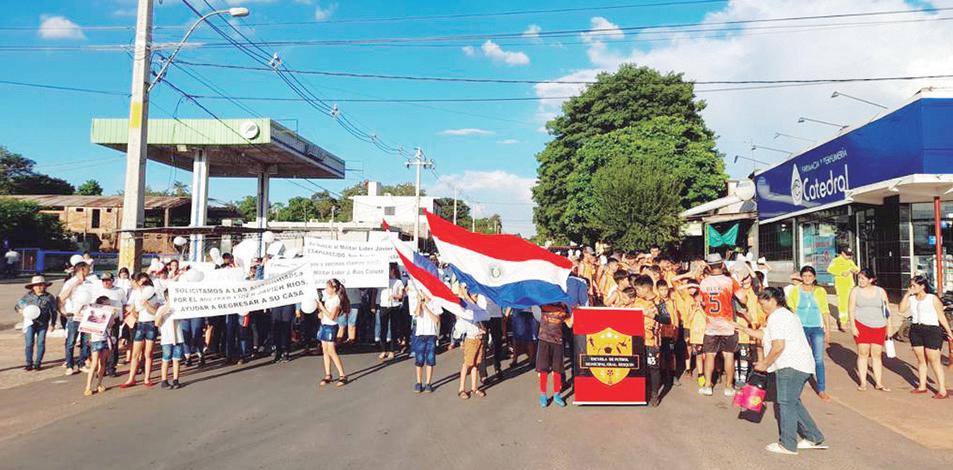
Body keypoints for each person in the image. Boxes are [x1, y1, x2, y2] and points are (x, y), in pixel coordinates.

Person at [736, 287, 827, 455]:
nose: (762, 307)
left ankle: (788, 444)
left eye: (763, 303)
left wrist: (764, 363)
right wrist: (743, 329)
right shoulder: (785, 315)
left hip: (790, 365)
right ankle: (813, 436)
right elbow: (765, 335)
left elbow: (778, 346)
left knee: (786, 403)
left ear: (773, 301)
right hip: (800, 365)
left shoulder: (777, 317)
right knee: (792, 402)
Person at [698, 253, 747, 397]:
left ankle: (708, 386)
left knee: (710, 355)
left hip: (711, 325)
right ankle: (729, 387)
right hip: (728, 325)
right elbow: (743, 299)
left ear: (709, 266)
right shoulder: (729, 281)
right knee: (729, 355)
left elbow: (701, 301)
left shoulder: (704, 283)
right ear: (722, 264)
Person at [899, 275, 953, 399]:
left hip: (932, 330)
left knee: (934, 360)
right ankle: (922, 386)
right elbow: (901, 310)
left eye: (914, 286)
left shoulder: (932, 298)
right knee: (921, 360)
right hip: (916, 329)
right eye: (910, 285)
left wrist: (948, 331)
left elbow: (940, 315)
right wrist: (907, 295)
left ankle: (942, 390)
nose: (911, 288)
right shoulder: (912, 299)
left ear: (922, 286)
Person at [787, 266, 832, 401]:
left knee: (818, 359)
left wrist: (828, 330)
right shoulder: (795, 291)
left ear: (814, 277)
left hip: (816, 328)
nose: (807, 279)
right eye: (805, 276)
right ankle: (797, 385)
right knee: (800, 356)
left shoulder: (820, 291)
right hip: (800, 329)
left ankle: (821, 389)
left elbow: (825, 310)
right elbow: (791, 309)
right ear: (801, 277)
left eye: (810, 276)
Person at [848, 269, 891, 391]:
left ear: (871, 280)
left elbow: (886, 310)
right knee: (863, 353)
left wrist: (889, 327)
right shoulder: (855, 291)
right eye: (859, 278)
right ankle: (863, 383)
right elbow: (851, 309)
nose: (860, 281)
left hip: (879, 326)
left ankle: (879, 383)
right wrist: (853, 326)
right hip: (861, 325)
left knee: (876, 354)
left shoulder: (880, 291)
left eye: (863, 278)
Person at [120, 273, 161, 389]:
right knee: (135, 353)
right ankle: (131, 378)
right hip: (141, 324)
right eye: (141, 281)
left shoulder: (153, 293)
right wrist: (134, 313)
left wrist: (146, 304)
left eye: (145, 281)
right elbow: (131, 307)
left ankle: (147, 378)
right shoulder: (136, 293)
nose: (142, 284)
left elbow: (155, 311)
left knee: (148, 353)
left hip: (151, 323)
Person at [631, 275, 666, 406]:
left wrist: (652, 315)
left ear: (646, 288)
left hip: (652, 341)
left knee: (653, 367)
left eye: (638, 289)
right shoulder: (637, 301)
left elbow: (667, 319)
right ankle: (638, 393)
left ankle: (655, 394)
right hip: (637, 339)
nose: (637, 292)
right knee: (638, 366)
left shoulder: (659, 302)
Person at [16, 275, 58, 371]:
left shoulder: (49, 297)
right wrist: (21, 311)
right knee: (29, 343)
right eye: (36, 285)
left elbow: (54, 311)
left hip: (43, 323)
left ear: (45, 286)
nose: (38, 287)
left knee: (41, 342)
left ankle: (38, 363)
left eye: (41, 285)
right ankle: (29, 363)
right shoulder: (28, 296)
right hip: (30, 323)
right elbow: (17, 306)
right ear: (32, 287)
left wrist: (53, 323)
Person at [536, 303, 572, 408]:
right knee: (543, 369)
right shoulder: (543, 303)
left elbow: (569, 324)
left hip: (558, 341)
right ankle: (543, 395)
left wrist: (575, 311)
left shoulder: (563, 307)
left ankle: (557, 395)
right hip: (544, 340)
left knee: (557, 369)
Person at [59, 261, 91, 375]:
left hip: (86, 315)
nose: (89, 271)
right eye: (87, 269)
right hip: (74, 316)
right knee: (71, 341)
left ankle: (82, 363)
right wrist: (75, 284)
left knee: (85, 341)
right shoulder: (70, 282)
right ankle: (69, 365)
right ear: (82, 269)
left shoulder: (89, 282)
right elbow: (61, 297)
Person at [83, 296, 118, 396]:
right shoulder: (94, 312)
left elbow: (110, 325)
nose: (109, 305)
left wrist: (112, 315)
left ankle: (99, 383)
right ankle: (88, 386)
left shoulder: (109, 313)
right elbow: (87, 325)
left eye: (109, 304)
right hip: (96, 339)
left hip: (105, 339)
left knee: (103, 362)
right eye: (106, 304)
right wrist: (89, 338)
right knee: (94, 363)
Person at [317, 279, 348, 387]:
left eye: (328, 287)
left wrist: (322, 308)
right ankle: (328, 374)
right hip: (324, 325)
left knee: (331, 351)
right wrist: (320, 312)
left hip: (331, 326)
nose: (326, 289)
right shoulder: (327, 298)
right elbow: (324, 314)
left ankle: (342, 375)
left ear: (334, 289)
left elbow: (332, 316)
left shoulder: (336, 300)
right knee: (325, 350)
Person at [96, 272, 126, 377]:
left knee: (113, 344)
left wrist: (122, 317)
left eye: (108, 280)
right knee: (102, 344)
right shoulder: (98, 291)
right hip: (102, 320)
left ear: (112, 280)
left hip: (114, 320)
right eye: (103, 280)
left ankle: (111, 368)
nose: (105, 282)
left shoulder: (119, 291)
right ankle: (101, 368)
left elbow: (124, 304)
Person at [412, 291, 441, 393]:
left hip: (431, 335)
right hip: (420, 335)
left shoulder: (435, 303)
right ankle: (419, 383)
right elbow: (416, 313)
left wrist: (427, 309)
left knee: (430, 359)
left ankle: (428, 383)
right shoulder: (419, 303)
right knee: (419, 360)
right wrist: (419, 302)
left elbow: (436, 320)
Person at [457, 304, 487, 400]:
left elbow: (482, 326)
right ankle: (461, 389)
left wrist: (481, 329)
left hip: (479, 339)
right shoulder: (465, 314)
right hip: (471, 340)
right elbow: (461, 329)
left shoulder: (476, 313)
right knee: (467, 364)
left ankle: (474, 388)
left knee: (475, 364)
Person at [827, 246, 860, 330]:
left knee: (851, 302)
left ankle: (850, 318)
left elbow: (857, 269)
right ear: (842, 253)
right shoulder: (836, 260)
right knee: (842, 304)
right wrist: (841, 273)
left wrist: (855, 270)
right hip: (841, 286)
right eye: (847, 254)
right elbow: (829, 269)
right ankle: (843, 322)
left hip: (850, 285)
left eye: (850, 255)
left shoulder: (850, 261)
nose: (849, 256)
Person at [155, 295, 184, 389]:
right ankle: (164, 380)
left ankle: (176, 380)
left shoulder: (178, 307)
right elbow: (157, 323)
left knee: (177, 359)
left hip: (178, 337)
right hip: (166, 338)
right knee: (166, 359)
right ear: (166, 297)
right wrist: (162, 313)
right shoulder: (161, 308)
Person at [378, 264, 404, 360]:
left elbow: (401, 295)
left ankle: (392, 350)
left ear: (392, 270)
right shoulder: (380, 281)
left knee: (393, 329)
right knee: (383, 329)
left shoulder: (398, 282)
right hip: (384, 306)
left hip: (394, 307)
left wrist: (394, 296)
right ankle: (383, 350)